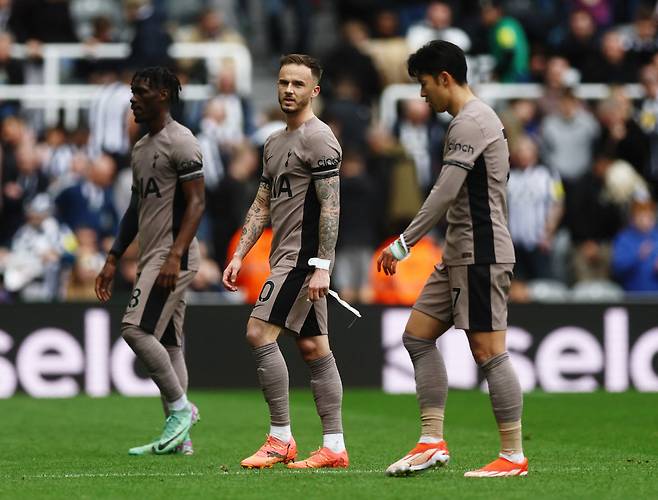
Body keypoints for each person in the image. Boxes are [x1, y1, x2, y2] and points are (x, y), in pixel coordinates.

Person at [377, 41, 527, 478]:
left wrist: (404, 243)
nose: (423, 96)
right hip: (459, 252)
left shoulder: (471, 122)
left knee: (488, 351)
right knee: (417, 336)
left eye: (424, 85)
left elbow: (444, 192)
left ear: (444, 79)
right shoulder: (473, 120)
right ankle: (431, 440)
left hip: (481, 253)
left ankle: (513, 455)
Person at [222, 54, 348, 469]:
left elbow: (331, 207)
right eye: (283, 83)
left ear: (314, 90)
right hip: (284, 256)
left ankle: (280, 438)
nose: (288, 90)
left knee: (258, 332)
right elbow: (262, 204)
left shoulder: (321, 139)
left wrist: (322, 265)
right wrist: (240, 252)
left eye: (298, 84)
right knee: (314, 348)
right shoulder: (274, 143)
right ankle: (333, 446)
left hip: (301, 260)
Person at [94, 67, 205, 456]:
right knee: (171, 344)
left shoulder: (182, 142)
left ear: (162, 94)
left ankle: (180, 410)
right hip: (151, 254)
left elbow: (197, 203)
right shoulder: (141, 148)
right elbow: (134, 207)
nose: (132, 99)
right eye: (131, 91)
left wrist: (175, 255)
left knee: (135, 330)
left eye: (140, 91)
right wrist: (112, 258)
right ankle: (181, 440)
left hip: (173, 254)